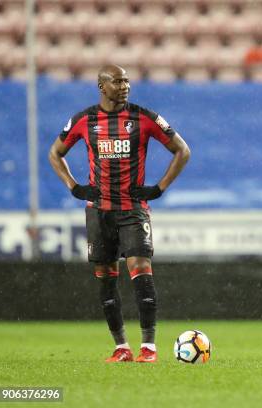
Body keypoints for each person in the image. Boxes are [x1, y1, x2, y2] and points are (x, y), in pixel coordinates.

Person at [48, 64, 191, 363]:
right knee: (105, 278)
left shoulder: (144, 117)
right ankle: (121, 347)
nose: (125, 86)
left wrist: (159, 188)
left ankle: (148, 348)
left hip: (133, 211)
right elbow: (55, 153)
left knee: (141, 271)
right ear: (102, 86)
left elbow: (182, 150)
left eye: (127, 81)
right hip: (99, 213)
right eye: (118, 81)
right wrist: (74, 187)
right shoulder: (84, 120)